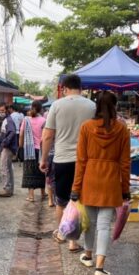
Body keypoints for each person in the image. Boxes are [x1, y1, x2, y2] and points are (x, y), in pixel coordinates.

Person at [70, 91, 131, 275]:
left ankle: (87, 255)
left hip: (89, 178)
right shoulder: (122, 130)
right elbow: (125, 163)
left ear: (96, 106)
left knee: (90, 222)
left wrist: (76, 187)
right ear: (115, 106)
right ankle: (100, 267)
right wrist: (125, 189)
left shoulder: (86, 127)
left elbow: (80, 160)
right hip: (111, 181)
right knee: (104, 226)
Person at [40, 73, 96, 252]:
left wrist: (43, 159)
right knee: (82, 200)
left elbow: (48, 135)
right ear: (81, 88)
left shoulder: (56, 105)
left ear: (64, 88)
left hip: (62, 159)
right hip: (86, 160)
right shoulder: (92, 105)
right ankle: (75, 241)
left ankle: (64, 234)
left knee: (62, 201)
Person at [20, 100, 47, 202]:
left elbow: (21, 134)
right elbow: (45, 136)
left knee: (29, 172)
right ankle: (43, 193)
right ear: (41, 109)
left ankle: (31, 196)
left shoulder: (26, 120)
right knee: (41, 171)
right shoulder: (44, 121)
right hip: (40, 149)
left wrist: (21, 146)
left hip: (28, 150)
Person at [0, 104, 18, 197]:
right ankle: (10, 189)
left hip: (8, 148)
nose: (0, 112)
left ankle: (7, 189)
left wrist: (5, 143)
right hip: (8, 147)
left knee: (4, 167)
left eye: (2, 110)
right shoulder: (6, 120)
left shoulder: (8, 120)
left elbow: (12, 132)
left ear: (6, 110)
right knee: (8, 168)